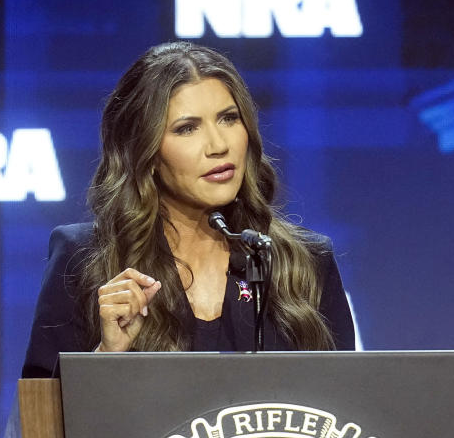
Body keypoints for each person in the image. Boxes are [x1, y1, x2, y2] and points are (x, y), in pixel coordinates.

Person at [21, 42, 355, 377]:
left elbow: (347, 410)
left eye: (228, 119)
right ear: (146, 153)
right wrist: (106, 355)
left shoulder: (306, 263)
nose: (218, 145)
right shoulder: (85, 260)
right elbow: (41, 416)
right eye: (187, 128)